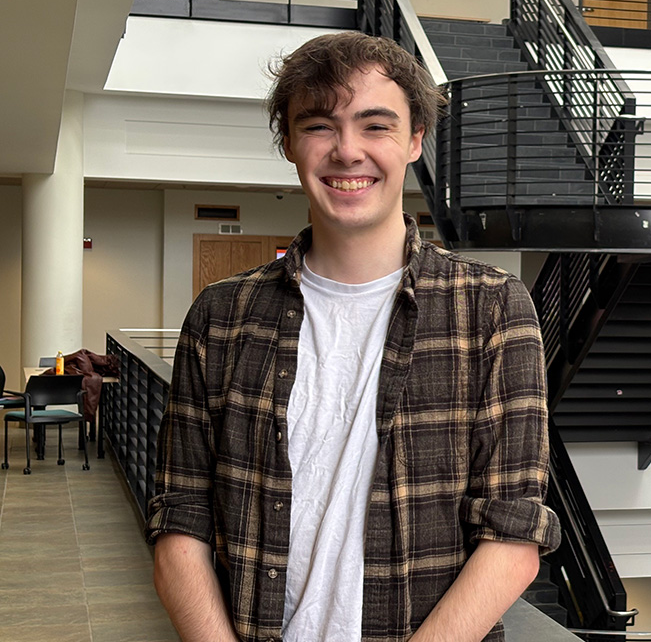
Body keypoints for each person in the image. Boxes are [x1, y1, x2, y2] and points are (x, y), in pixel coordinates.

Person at [145, 32, 560, 642]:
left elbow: (514, 534)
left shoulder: (493, 309)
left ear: (415, 140)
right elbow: (181, 519)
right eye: (318, 126)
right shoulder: (221, 316)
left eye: (375, 126)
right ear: (289, 142)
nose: (346, 151)